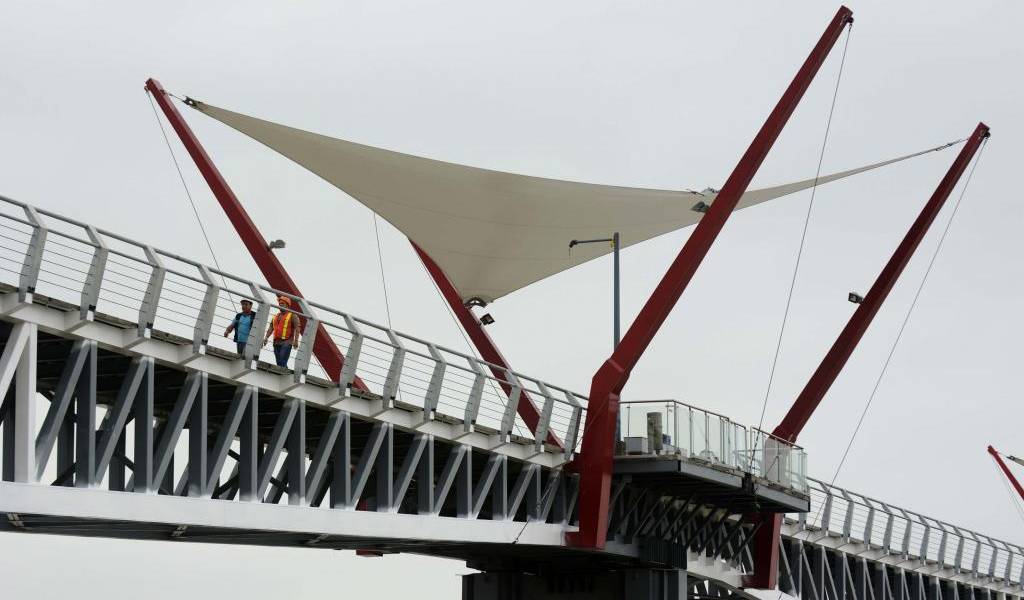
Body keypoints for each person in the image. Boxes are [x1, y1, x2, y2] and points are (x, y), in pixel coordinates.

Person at [263, 295, 299, 367]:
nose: (280, 305)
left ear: (287, 305)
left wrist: (296, 340)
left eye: (283, 304)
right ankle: (284, 370)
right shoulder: (275, 316)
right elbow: (271, 327)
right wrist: (266, 337)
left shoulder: (292, 315)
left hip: (287, 341)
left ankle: (285, 373)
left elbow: (297, 328)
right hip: (276, 341)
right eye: (280, 304)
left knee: (282, 359)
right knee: (278, 361)